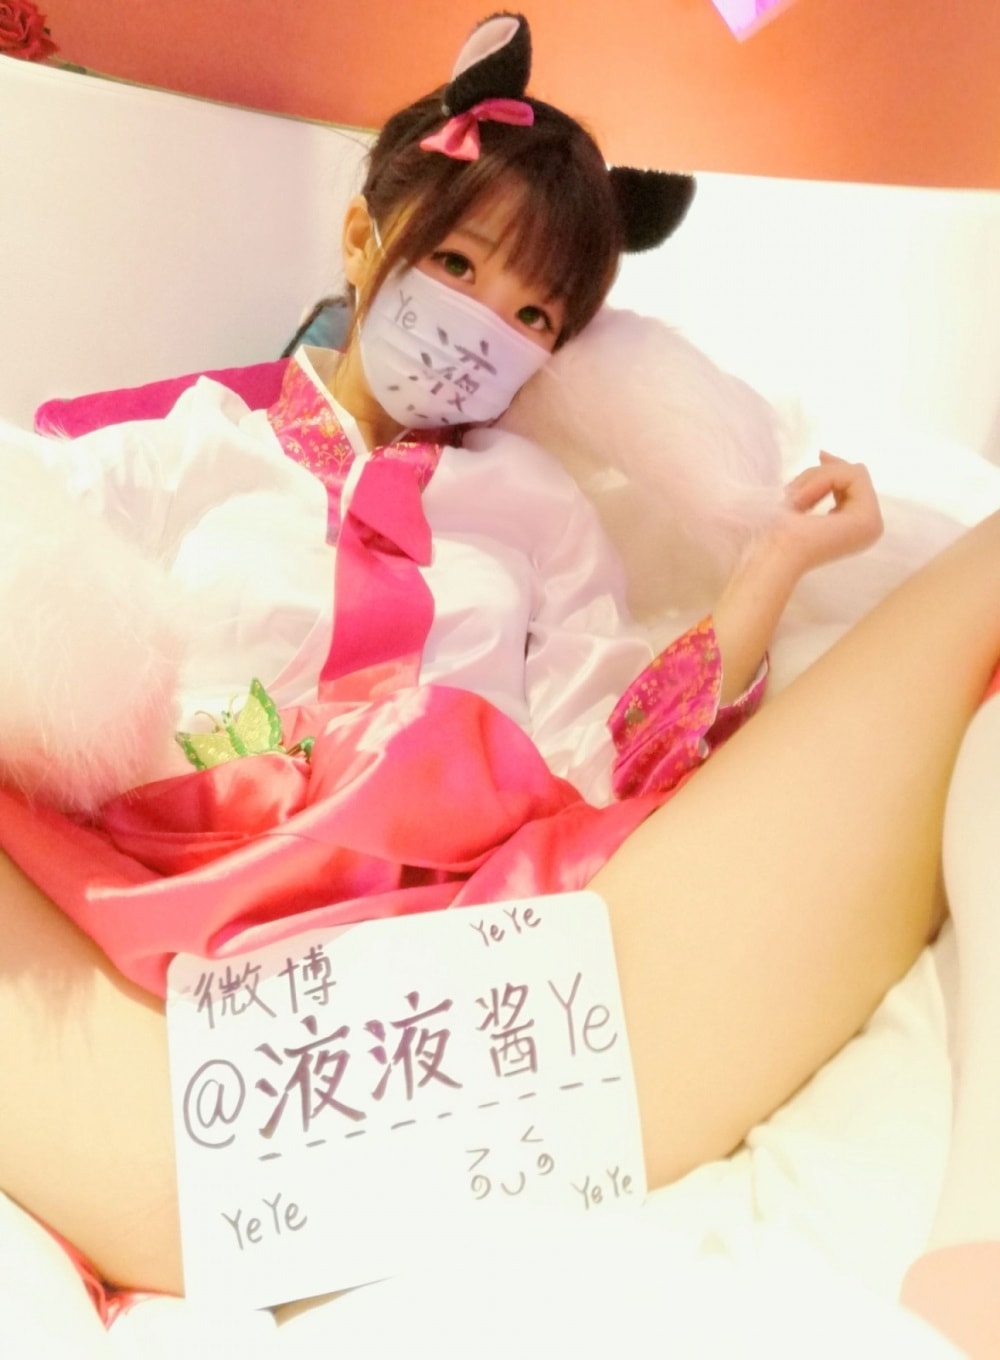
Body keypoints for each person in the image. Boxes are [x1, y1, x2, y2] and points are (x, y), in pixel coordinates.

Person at [2, 10, 1000, 1337]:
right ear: (365, 239)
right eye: (460, 264)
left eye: (534, 311)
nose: (486, 325)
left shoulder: (536, 509)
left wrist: (772, 561)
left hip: (477, 950)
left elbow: (614, 751)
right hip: (181, 941)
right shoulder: (190, 449)